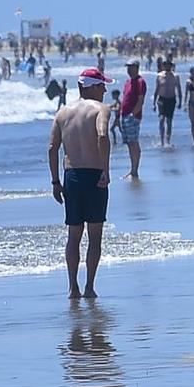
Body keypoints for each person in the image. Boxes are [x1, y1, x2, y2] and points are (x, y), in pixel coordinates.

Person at [50, 68, 113, 299]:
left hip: (72, 176)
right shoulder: (101, 109)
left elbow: (52, 148)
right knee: (95, 235)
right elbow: (102, 135)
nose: (105, 90)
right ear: (92, 87)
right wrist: (105, 171)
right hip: (94, 176)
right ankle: (89, 287)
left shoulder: (63, 112)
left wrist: (55, 181)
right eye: (102, 86)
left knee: (73, 235)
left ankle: (72, 288)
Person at [117, 59, 147, 179]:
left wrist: (133, 114)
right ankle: (132, 169)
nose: (128, 70)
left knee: (134, 142)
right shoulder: (128, 82)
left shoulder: (140, 81)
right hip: (124, 116)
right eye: (127, 67)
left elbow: (141, 100)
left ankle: (135, 170)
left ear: (136, 67)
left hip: (132, 117)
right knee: (129, 143)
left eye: (130, 67)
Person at [154, 60, 180, 147]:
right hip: (162, 99)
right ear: (164, 66)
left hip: (171, 99)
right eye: (166, 65)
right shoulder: (159, 76)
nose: (168, 67)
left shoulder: (175, 76)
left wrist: (180, 101)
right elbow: (157, 89)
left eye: (169, 65)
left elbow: (178, 89)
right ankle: (161, 141)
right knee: (161, 119)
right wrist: (154, 102)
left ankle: (168, 141)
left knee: (169, 121)